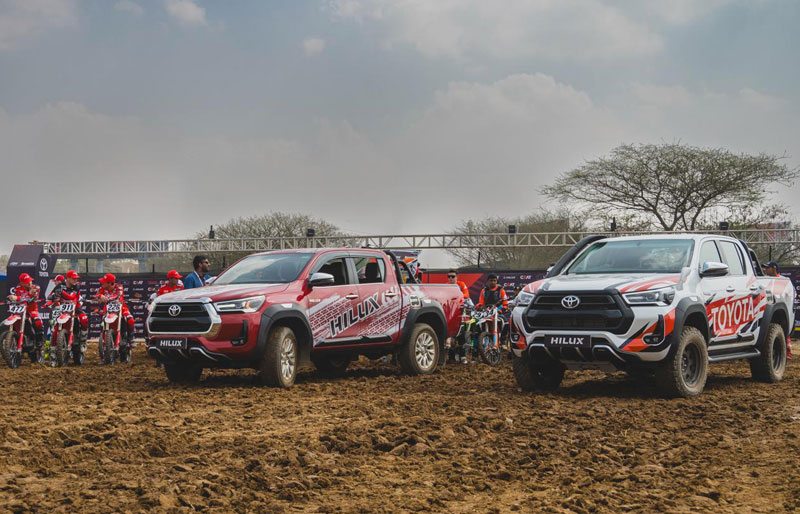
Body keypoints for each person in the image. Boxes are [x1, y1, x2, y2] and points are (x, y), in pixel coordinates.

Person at [47, 270, 89, 352]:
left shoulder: (76, 287)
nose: (75, 280)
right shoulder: (60, 286)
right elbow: (50, 296)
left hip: (75, 305)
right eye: (73, 278)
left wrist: (61, 293)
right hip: (62, 307)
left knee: (84, 319)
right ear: (68, 278)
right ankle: (53, 348)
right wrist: (54, 296)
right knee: (54, 324)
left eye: (76, 279)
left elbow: (72, 297)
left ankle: (83, 341)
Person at [96, 273, 135, 355]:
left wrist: (105, 298)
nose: (102, 283)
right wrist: (100, 296)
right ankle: (103, 343)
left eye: (104, 282)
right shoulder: (102, 288)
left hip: (121, 307)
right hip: (108, 308)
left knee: (130, 320)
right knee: (103, 322)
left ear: (110, 283)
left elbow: (119, 295)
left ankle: (130, 339)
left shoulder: (119, 286)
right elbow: (97, 295)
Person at [6, 273, 44, 351]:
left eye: (30, 281)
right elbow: (12, 297)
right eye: (27, 282)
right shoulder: (17, 288)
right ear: (21, 283)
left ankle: (39, 342)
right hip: (20, 311)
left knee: (38, 322)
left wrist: (17, 297)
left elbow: (32, 297)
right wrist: (10, 298)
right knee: (14, 322)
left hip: (32, 310)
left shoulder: (35, 288)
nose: (29, 283)